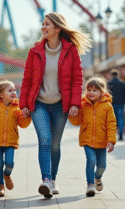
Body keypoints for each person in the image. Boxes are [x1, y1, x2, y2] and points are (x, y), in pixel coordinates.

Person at [20, 12, 91, 198]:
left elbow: (77, 79)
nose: (43, 28)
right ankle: (45, 180)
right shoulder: (34, 51)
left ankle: (53, 180)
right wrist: (24, 104)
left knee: (55, 145)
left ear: (58, 29)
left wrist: (75, 103)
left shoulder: (71, 50)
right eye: (43, 24)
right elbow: (27, 80)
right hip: (39, 104)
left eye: (47, 25)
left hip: (61, 104)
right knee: (44, 140)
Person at [0, 80, 31, 197]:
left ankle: (7, 175)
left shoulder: (17, 108)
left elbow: (23, 124)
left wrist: (27, 116)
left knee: (9, 163)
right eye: (10, 90)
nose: (14, 92)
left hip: (10, 141)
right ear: (1, 95)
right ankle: (0, 186)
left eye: (14, 90)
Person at [69, 77, 116, 197]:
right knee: (90, 160)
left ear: (102, 92)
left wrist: (111, 141)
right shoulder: (83, 105)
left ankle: (97, 178)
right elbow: (77, 121)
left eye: (95, 90)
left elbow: (111, 124)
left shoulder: (107, 106)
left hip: (102, 140)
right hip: (87, 139)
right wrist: (72, 115)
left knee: (102, 166)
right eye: (89, 89)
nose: (91, 92)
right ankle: (90, 185)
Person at [107, 69, 125, 141]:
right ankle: (121, 133)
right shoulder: (122, 83)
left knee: (112, 120)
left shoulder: (109, 84)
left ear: (111, 75)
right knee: (120, 119)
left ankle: (112, 134)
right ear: (117, 75)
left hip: (112, 104)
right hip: (120, 104)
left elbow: (107, 94)